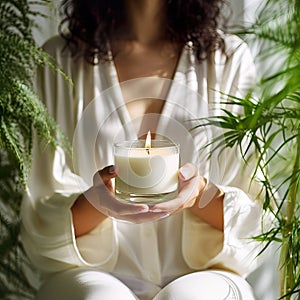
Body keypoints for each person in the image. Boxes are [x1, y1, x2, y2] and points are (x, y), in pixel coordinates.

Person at [21, 0, 267, 299]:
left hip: (207, 275)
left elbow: (257, 218)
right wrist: (97, 203)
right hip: (89, 275)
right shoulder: (59, 61)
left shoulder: (228, 60)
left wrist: (198, 193)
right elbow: (40, 214)